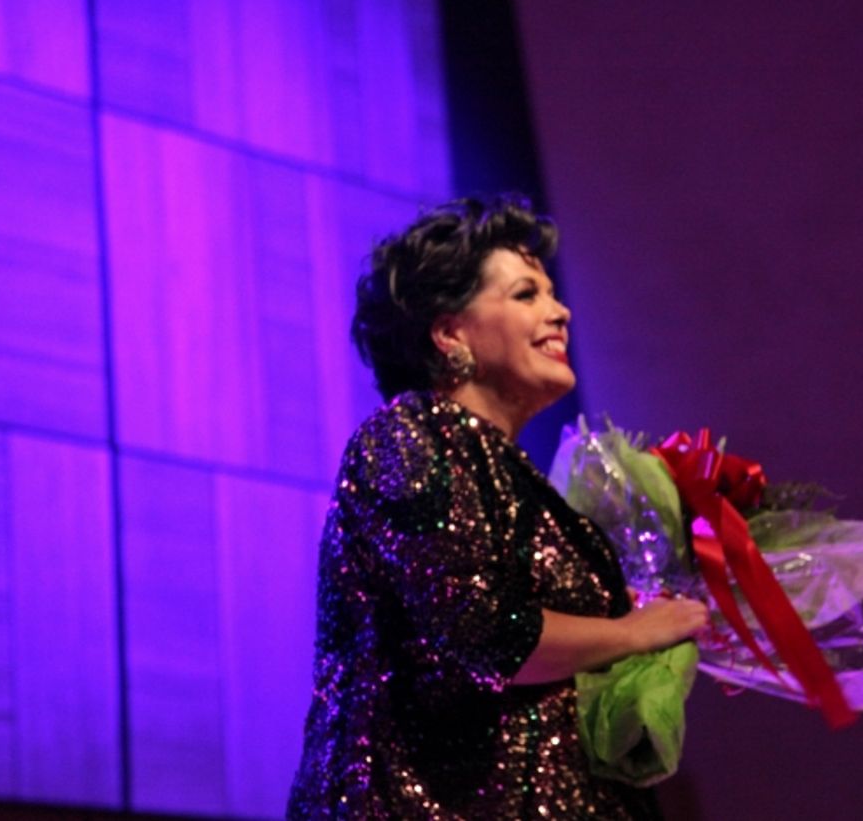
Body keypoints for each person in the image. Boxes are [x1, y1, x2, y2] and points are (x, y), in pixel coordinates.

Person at [288, 194, 707, 820]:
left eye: (552, 294)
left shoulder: (517, 478)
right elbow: (488, 634)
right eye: (526, 294)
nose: (560, 311)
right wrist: (634, 633)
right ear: (450, 332)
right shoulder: (408, 436)